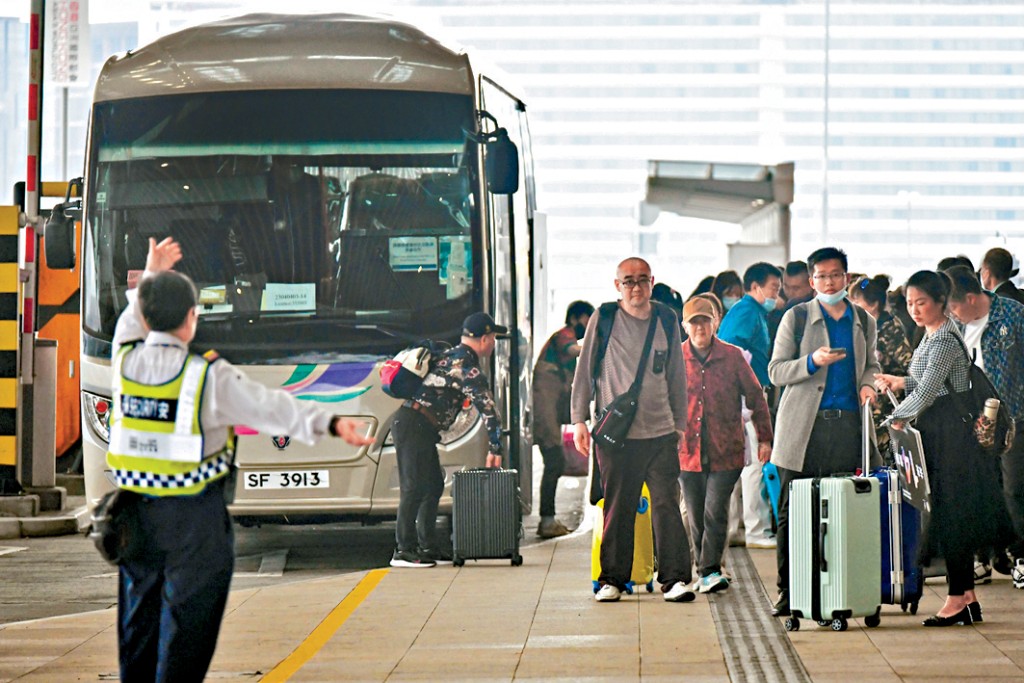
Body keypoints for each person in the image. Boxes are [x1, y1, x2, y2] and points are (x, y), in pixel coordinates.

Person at [109, 237, 373, 682]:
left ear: (146, 317)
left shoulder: (125, 361)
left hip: (134, 514)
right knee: (189, 629)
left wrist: (151, 274)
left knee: (138, 623)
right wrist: (331, 425)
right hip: (194, 520)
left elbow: (129, 321)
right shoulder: (206, 378)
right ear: (192, 319)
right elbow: (272, 408)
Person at [875, 270, 1009, 626]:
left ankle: (955, 599)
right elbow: (929, 382)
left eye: (921, 302)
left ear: (939, 302)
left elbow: (930, 391)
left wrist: (894, 418)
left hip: (951, 437)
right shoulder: (935, 333)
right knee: (953, 514)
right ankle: (966, 597)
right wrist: (901, 383)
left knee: (952, 516)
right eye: (909, 303)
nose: (915, 310)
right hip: (941, 432)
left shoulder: (945, 339)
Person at [571, 257, 694, 603]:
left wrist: (680, 424)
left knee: (668, 505)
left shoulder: (666, 318)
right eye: (629, 281)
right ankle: (612, 579)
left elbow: (676, 375)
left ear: (652, 282)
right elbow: (584, 372)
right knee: (618, 506)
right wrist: (579, 419)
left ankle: (674, 579)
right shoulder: (605, 318)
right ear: (617, 286)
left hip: (660, 432)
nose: (636, 287)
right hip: (616, 436)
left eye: (642, 280)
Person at [767, 246, 880, 618]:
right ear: (812, 281)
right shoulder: (796, 318)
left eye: (836, 275)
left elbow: (871, 364)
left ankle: (839, 588)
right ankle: (790, 590)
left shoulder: (862, 319)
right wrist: (813, 361)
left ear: (847, 278)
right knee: (793, 509)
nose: (830, 282)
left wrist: (869, 386)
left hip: (847, 425)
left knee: (844, 507)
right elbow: (776, 371)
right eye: (822, 276)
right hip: (803, 428)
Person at [391, 311, 506, 568]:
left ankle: (428, 545)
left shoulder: (450, 355)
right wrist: (496, 446)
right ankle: (404, 550)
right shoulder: (466, 367)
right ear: (485, 339)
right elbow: (489, 409)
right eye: (493, 337)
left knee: (432, 485)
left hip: (416, 425)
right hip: (413, 424)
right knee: (413, 487)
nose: (494, 343)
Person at [678, 296, 773, 594]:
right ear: (685, 326)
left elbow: (756, 397)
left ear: (715, 322)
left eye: (705, 321)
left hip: (726, 449)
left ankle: (708, 571)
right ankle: (705, 565)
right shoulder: (675, 358)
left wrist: (765, 438)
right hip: (687, 451)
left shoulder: (733, 357)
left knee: (714, 509)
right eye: (694, 323)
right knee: (694, 512)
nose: (700, 328)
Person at [944, 265, 1024, 586]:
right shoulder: (952, 327)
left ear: (972, 297)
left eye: (954, 306)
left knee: (1014, 488)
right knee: (976, 488)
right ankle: (984, 557)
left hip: (1014, 417)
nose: (951, 313)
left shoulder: (1013, 315)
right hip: (969, 419)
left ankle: (1020, 555)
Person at [717, 262, 782, 551]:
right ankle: (757, 529)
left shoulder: (751, 312)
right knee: (756, 461)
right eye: (773, 289)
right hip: (745, 399)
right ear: (755, 287)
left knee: (739, 463)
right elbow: (732, 353)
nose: (776, 296)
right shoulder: (746, 313)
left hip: (741, 397)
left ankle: (735, 528)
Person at [532, 300, 594, 538]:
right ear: (578, 317)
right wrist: (595, 347)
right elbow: (571, 349)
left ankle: (548, 520)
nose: (588, 327)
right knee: (554, 462)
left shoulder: (564, 339)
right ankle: (546, 520)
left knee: (555, 463)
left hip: (550, 412)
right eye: (588, 320)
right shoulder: (565, 335)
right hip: (546, 413)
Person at [849, 274, 913, 456]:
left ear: (873, 305)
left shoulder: (889, 328)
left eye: (856, 301)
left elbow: (910, 364)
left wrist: (885, 363)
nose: (851, 307)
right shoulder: (864, 327)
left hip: (887, 401)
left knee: (884, 454)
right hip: (869, 399)